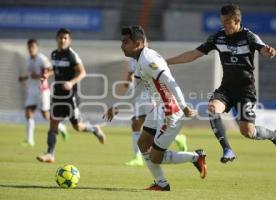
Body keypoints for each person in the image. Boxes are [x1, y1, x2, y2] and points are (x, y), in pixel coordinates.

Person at [166, 4, 276, 163]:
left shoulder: (249, 36)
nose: (224, 26)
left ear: (237, 21)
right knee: (212, 108)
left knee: (248, 132)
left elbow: (264, 49)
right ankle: (227, 149)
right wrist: (167, 62)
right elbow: (194, 54)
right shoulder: (218, 37)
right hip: (226, 89)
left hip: (246, 91)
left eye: (227, 23)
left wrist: (268, 51)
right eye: (222, 22)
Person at [103, 26, 207, 191]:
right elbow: (135, 89)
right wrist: (116, 106)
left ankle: (196, 157)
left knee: (155, 157)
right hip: (159, 108)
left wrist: (184, 107)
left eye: (125, 42)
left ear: (137, 43)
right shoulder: (139, 60)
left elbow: (170, 81)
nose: (122, 45)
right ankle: (161, 184)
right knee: (143, 144)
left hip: (170, 111)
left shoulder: (148, 60)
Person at [36, 28, 106, 163]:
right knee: (53, 123)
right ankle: (50, 154)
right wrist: (47, 74)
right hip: (57, 96)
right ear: (56, 39)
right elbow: (54, 69)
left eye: (65, 38)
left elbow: (82, 73)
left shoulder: (72, 55)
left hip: (70, 97)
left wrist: (70, 82)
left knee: (77, 127)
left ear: (69, 40)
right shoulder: (54, 54)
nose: (62, 40)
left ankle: (94, 129)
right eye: (60, 38)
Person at [124, 57, 188, 167]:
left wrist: (156, 97)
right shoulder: (132, 61)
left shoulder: (150, 59)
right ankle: (137, 157)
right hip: (139, 96)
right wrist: (129, 82)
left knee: (155, 129)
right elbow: (130, 77)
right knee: (135, 125)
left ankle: (178, 138)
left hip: (151, 96)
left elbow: (162, 77)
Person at [18, 39, 68, 147]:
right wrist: (23, 77)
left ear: (37, 48)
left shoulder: (42, 59)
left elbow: (52, 70)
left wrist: (41, 76)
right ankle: (30, 140)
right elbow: (31, 74)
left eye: (33, 47)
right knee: (28, 113)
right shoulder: (29, 60)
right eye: (29, 47)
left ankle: (61, 127)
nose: (31, 49)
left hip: (42, 90)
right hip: (32, 90)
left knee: (45, 115)